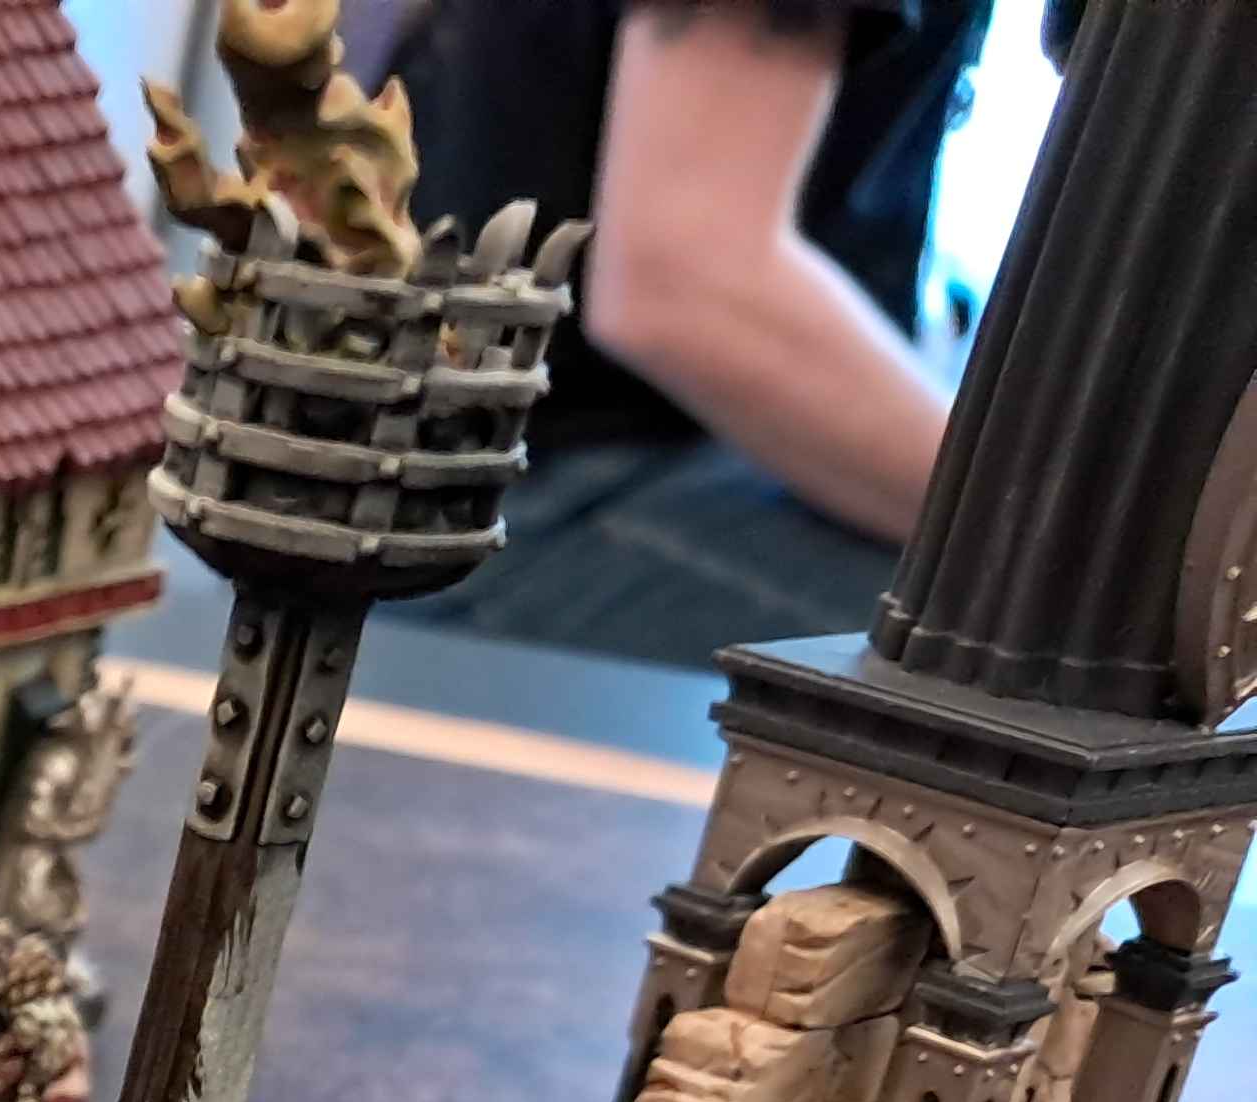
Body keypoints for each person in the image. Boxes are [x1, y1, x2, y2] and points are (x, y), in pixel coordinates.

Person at [380, 0, 1010, 664]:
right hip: (512, 502)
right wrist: (1053, 544)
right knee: (1042, 665)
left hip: (532, 467)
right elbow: (685, 284)